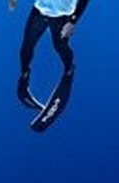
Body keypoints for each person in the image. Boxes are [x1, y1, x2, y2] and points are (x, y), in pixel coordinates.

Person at [9, 0, 91, 132]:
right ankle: (24, 76)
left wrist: (73, 21)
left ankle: (69, 70)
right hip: (40, 10)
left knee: (59, 46)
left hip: (62, 16)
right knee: (27, 44)